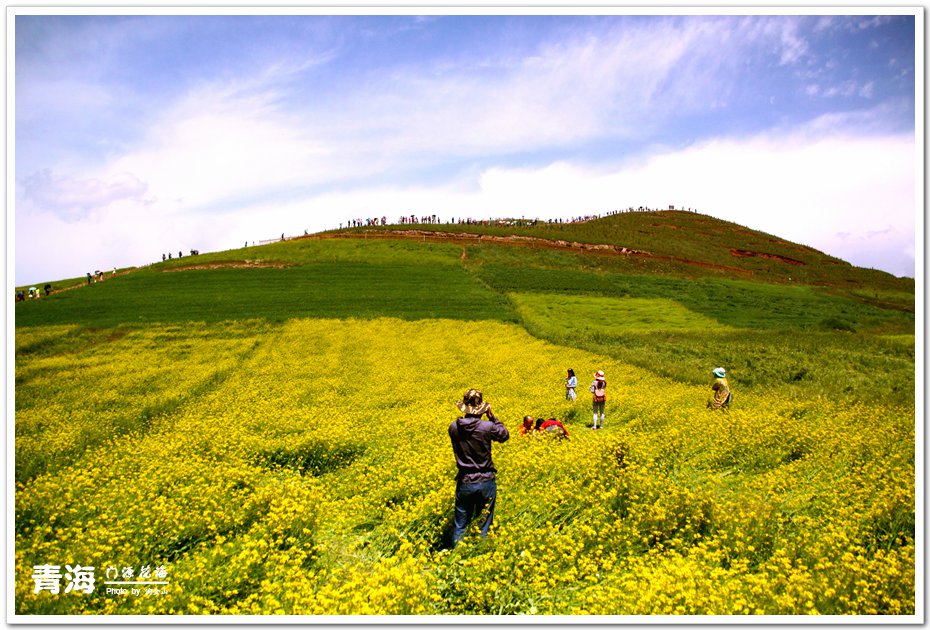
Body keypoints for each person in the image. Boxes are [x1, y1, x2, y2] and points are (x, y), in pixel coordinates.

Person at [448, 389, 509, 546]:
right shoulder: (487, 427)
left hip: (465, 481)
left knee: (460, 525)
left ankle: (456, 558)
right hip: (486, 480)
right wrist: (493, 417)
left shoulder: (453, 427)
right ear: (481, 408)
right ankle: (480, 556)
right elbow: (504, 435)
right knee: (484, 525)